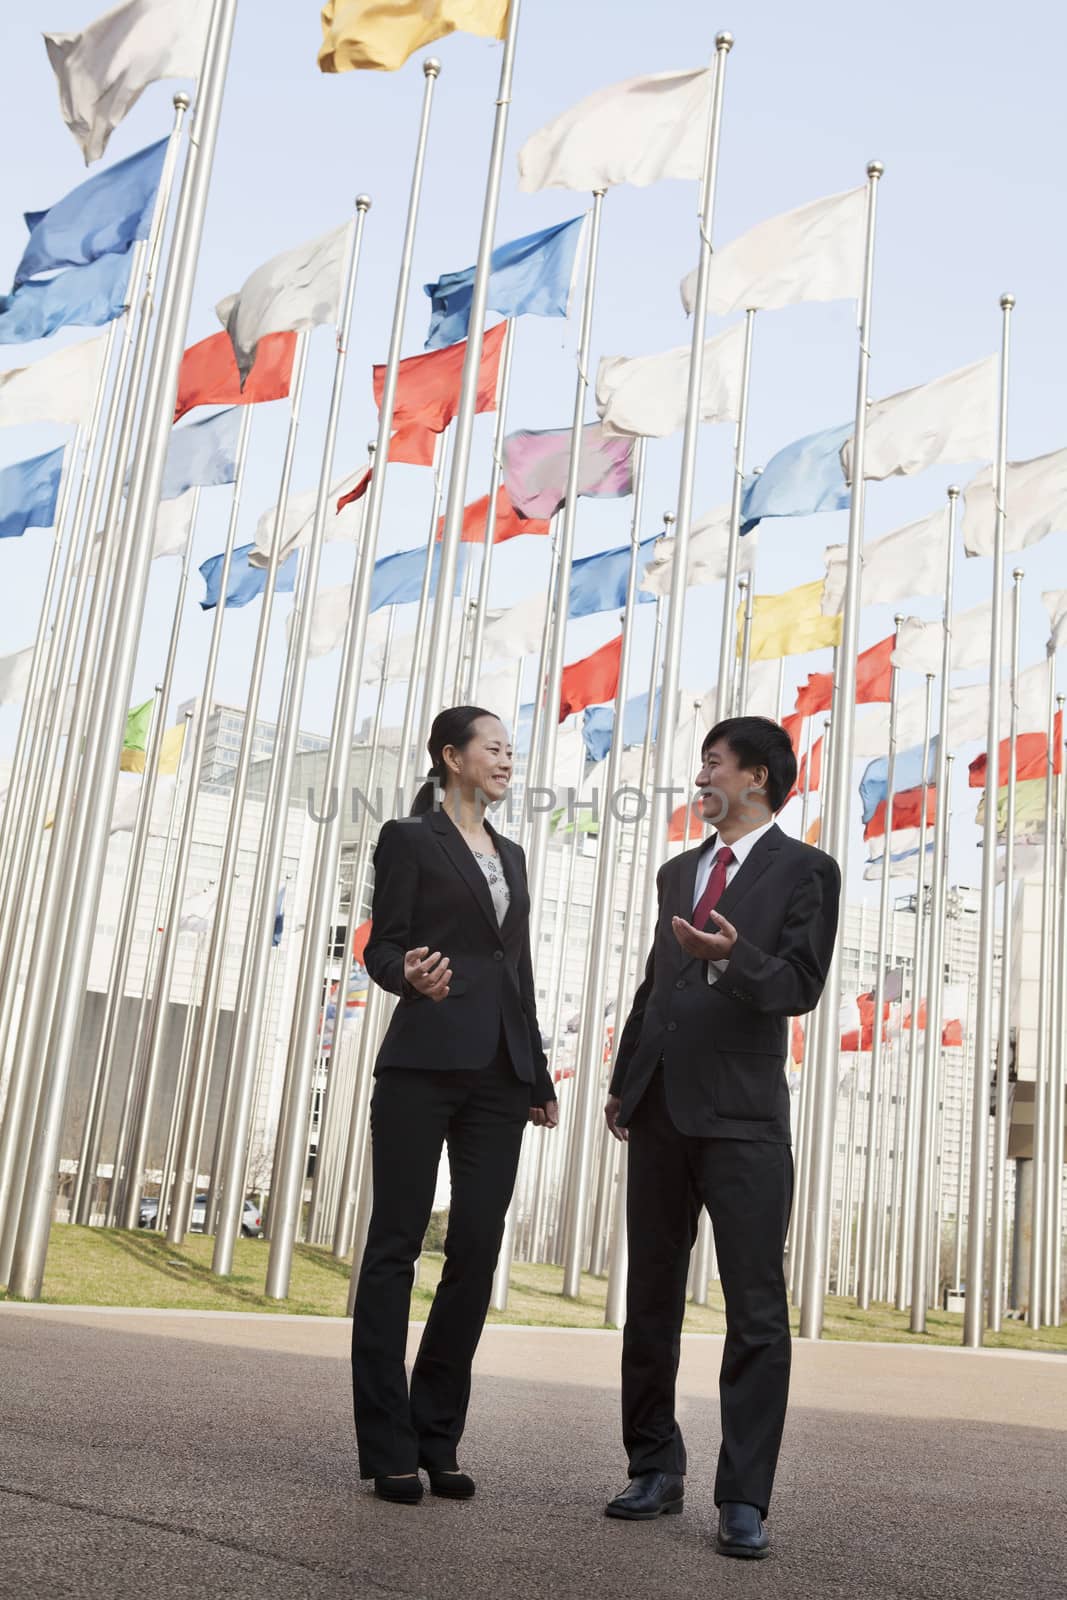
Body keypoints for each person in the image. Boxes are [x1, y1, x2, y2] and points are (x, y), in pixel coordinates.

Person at [603, 716, 841, 1559]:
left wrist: (735, 957)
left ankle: (743, 1497)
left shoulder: (807, 869)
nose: (700, 777)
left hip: (742, 1121)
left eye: (712, 764)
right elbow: (655, 986)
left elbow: (799, 986)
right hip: (660, 1109)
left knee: (754, 1313)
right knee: (651, 1302)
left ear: (757, 779)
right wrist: (624, 1082)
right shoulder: (678, 871)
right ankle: (651, 1467)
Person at [351, 705, 558, 1505]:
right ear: (452, 757)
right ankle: (388, 1443)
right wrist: (408, 975)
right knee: (395, 1247)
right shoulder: (410, 839)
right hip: (423, 1062)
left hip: (500, 1074)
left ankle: (438, 1435)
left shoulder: (513, 853)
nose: (507, 759)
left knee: (475, 1247)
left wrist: (536, 1075)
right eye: (493, 747)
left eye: (512, 749)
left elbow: (520, 973)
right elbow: (382, 943)